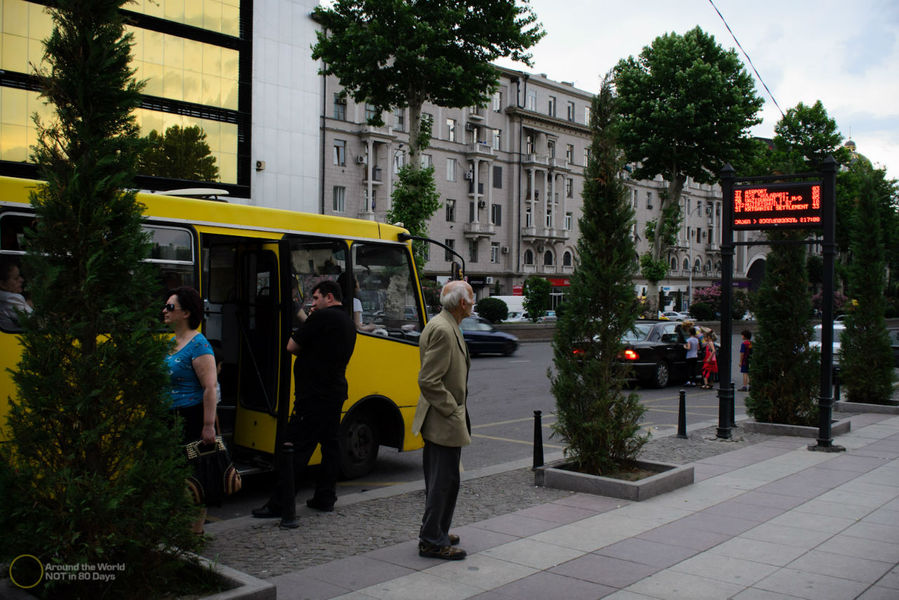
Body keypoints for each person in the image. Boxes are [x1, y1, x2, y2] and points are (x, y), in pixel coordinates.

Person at [252, 279, 356, 528]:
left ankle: (280, 504)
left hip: (312, 396)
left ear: (330, 297)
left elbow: (291, 346)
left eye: (317, 298)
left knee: (295, 449)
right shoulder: (348, 322)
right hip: (334, 393)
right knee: (330, 447)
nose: (313, 303)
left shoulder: (320, 319)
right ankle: (325, 497)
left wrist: (308, 319)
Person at [412, 280, 474, 561]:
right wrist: (451, 408)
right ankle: (431, 541)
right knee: (442, 482)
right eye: (471, 297)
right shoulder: (443, 329)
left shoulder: (447, 324)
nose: (473, 302)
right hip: (442, 420)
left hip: (445, 419)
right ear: (462, 303)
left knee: (445, 480)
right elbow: (428, 380)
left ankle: (436, 529)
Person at [163, 286, 217, 534]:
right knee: (172, 475)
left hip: (191, 418)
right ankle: (176, 525)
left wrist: (208, 426)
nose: (164, 311)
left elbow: (209, 388)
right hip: (169, 418)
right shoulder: (173, 342)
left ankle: (194, 532)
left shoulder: (199, 344)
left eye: (170, 307)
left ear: (185, 313)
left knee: (194, 478)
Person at [0, 257, 34, 331]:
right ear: (2, 284)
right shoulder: (11, 298)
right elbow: (34, 322)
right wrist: (29, 305)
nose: (22, 280)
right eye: (16, 278)